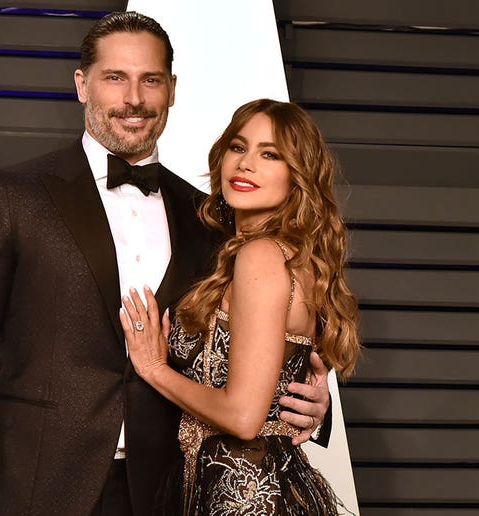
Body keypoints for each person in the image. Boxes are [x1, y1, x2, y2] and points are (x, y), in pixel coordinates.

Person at [0, 12, 332, 516]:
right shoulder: (12, 196)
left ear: (172, 90)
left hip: (166, 493)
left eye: (150, 80)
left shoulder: (211, 218)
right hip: (30, 490)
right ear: (82, 85)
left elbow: (273, 326)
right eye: (115, 77)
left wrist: (313, 398)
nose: (133, 98)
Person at [121, 99, 361, 515]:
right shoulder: (266, 252)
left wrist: (155, 369)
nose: (246, 163)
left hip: (249, 500)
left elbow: (245, 417)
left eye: (269, 154)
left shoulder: (261, 257)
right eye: (238, 147)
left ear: (297, 176)